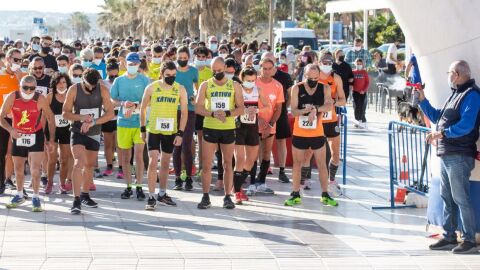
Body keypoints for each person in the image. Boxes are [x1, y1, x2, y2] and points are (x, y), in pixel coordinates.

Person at [419, 60, 480, 254]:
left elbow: (467, 125)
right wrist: (422, 100)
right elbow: (439, 117)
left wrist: (442, 134)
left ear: (457, 74)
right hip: (447, 154)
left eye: (449, 73)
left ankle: (469, 239)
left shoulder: (472, 95)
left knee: (460, 197)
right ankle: (449, 236)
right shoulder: (456, 94)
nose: (448, 77)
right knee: (448, 197)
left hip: (460, 155)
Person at [62, 68, 114, 214]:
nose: (91, 88)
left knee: (90, 165)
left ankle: (85, 194)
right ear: (82, 80)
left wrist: (93, 122)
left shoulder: (102, 89)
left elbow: (110, 113)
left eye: (94, 86)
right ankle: (76, 199)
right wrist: (81, 118)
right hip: (77, 131)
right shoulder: (74, 89)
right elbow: (65, 113)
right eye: (88, 86)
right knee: (79, 162)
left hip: (94, 132)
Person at [1, 75, 56, 212]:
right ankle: (20, 194)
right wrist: (10, 129)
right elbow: (1, 117)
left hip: (35, 135)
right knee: (18, 170)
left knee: (35, 170)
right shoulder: (13, 96)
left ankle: (36, 197)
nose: (28, 91)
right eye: (25, 87)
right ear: (20, 86)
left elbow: (50, 117)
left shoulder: (40, 98)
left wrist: (51, 139)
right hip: (18, 135)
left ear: (35, 88)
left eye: (32, 88)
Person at [195, 57, 244, 209]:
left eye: (220, 71)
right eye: (214, 71)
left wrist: (227, 113)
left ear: (225, 68)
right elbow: (198, 108)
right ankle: (205, 196)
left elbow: (241, 108)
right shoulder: (206, 85)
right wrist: (212, 114)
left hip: (228, 128)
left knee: (228, 163)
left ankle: (228, 196)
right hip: (210, 127)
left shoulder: (234, 85)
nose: (217, 74)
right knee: (207, 163)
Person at [140, 61, 188, 210]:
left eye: (174, 75)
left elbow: (185, 113)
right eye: (168, 75)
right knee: (153, 161)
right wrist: (142, 129)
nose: (171, 78)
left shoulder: (180, 89)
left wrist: (180, 133)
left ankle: (162, 194)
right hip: (153, 129)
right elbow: (142, 108)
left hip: (170, 130)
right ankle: (151, 196)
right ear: (161, 74)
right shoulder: (152, 87)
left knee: (166, 163)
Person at [284, 64, 334, 206]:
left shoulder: (324, 88)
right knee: (297, 164)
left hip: (317, 133)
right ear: (304, 75)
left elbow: (329, 105)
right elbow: (293, 111)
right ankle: (295, 194)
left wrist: (315, 109)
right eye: (309, 78)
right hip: (300, 133)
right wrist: (305, 111)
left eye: (316, 78)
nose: (313, 81)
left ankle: (325, 194)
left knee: (322, 164)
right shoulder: (296, 88)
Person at [110, 52, 150, 200]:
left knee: (139, 156)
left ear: (139, 65)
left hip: (140, 122)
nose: (132, 66)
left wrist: (138, 105)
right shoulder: (119, 81)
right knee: (126, 157)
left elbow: (150, 100)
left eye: (135, 64)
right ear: (125, 64)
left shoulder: (145, 80)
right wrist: (123, 103)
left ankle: (139, 186)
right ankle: (128, 186)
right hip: (123, 123)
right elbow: (112, 99)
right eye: (130, 64)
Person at [246, 57, 284, 196]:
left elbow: (278, 108)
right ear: (260, 68)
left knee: (267, 153)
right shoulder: (253, 83)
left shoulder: (278, 86)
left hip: (270, 125)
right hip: (253, 124)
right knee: (253, 154)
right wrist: (259, 120)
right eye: (264, 68)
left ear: (274, 69)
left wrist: (270, 124)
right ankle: (251, 183)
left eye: (270, 68)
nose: (267, 71)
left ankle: (261, 182)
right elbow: (248, 103)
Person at [233, 67, 270, 204]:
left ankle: (237, 186)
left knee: (251, 160)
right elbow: (232, 107)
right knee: (240, 159)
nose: (251, 83)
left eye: (253, 80)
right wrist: (242, 109)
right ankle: (237, 192)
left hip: (252, 127)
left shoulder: (258, 90)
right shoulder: (237, 89)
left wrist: (257, 109)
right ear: (242, 79)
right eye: (248, 80)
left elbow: (267, 106)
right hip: (239, 126)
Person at [172, 46, 198, 191]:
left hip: (189, 110)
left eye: (184, 58)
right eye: (180, 58)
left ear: (188, 57)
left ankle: (188, 178)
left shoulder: (193, 71)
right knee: (176, 145)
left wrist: (195, 98)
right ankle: (177, 178)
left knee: (187, 145)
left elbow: (197, 87)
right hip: (174, 110)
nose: (182, 60)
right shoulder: (172, 70)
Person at [0, 48, 25, 194]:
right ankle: (2, 180)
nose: (18, 63)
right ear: (7, 59)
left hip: (18, 119)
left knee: (11, 152)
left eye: (20, 60)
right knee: (2, 151)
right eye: (15, 60)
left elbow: (27, 96)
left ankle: (8, 179)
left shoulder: (22, 77)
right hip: (2, 118)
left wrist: (19, 78)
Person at [46, 73, 73, 194]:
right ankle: (49, 182)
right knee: (52, 159)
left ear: (67, 84)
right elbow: (43, 116)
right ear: (54, 84)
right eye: (59, 82)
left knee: (64, 159)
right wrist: (42, 133)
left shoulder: (71, 96)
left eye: (64, 82)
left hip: (66, 130)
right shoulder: (50, 96)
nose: (61, 85)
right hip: (52, 130)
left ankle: (62, 184)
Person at [194, 46, 214, 177]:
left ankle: (206, 167)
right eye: (199, 57)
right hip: (194, 109)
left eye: (203, 57)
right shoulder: (191, 70)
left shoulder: (210, 71)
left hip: (207, 109)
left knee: (206, 141)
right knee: (199, 140)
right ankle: (199, 167)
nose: (201, 59)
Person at [101, 59, 120, 177]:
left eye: (115, 74)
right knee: (108, 144)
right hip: (107, 116)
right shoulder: (102, 83)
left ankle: (122, 167)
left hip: (119, 116)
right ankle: (109, 165)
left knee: (119, 144)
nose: (113, 77)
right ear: (107, 72)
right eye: (111, 74)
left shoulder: (122, 82)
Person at [352, 58, 370, 128]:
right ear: (355, 64)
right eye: (358, 64)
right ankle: (357, 120)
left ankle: (363, 120)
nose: (359, 65)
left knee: (362, 106)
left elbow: (367, 82)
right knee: (357, 106)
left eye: (360, 64)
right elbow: (351, 81)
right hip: (355, 92)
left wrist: (364, 90)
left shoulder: (364, 72)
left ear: (362, 64)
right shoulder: (353, 72)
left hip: (363, 92)